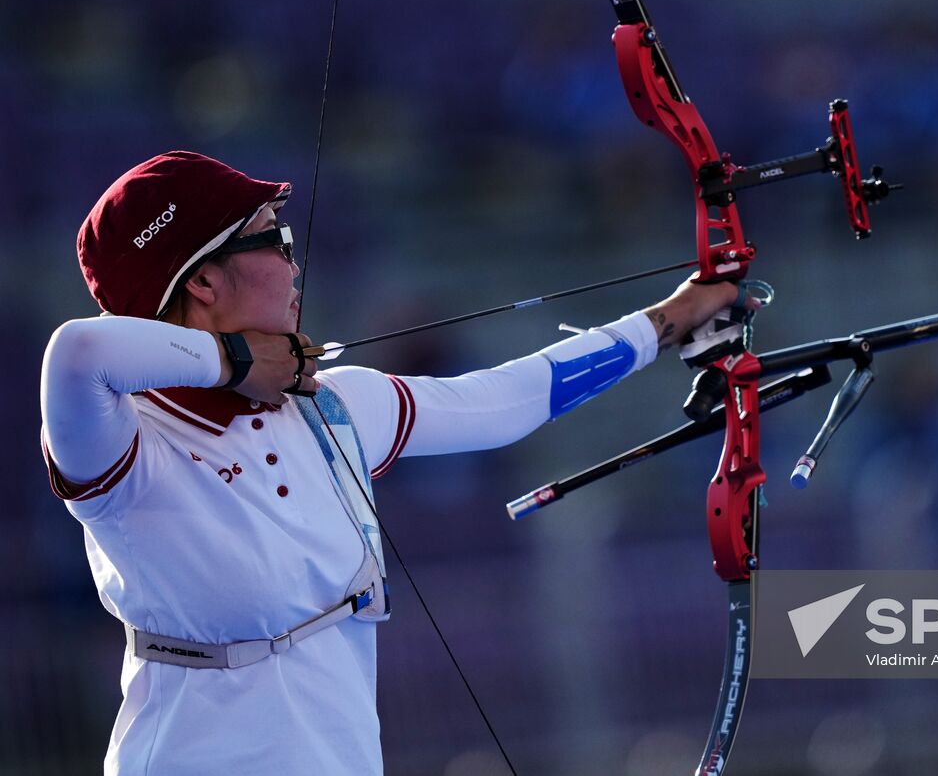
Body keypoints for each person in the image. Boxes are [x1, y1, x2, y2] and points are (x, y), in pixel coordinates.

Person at [39, 151, 741, 775]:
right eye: (274, 237)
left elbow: (506, 399)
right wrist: (239, 361)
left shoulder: (335, 406)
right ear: (203, 283)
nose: (295, 259)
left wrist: (673, 317)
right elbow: (77, 351)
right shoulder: (126, 444)